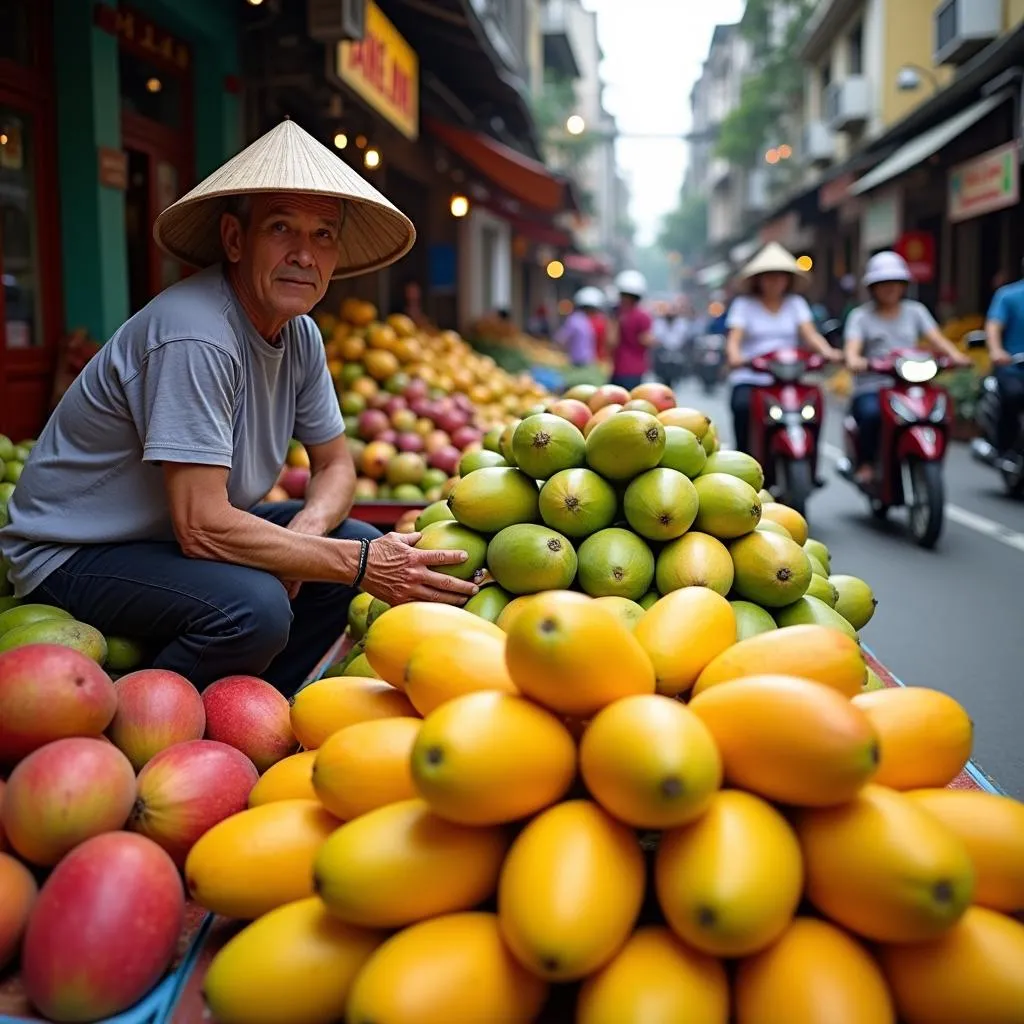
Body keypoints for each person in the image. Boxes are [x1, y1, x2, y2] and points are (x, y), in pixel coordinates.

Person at [0, 120, 478, 697]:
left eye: (324, 235)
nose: (304, 254)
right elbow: (200, 525)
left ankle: (259, 712)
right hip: (75, 554)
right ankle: (143, 721)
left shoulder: (299, 334)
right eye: (282, 228)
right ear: (234, 239)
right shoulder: (196, 334)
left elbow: (336, 467)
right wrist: (350, 562)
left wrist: (310, 536)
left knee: (342, 536)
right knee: (256, 608)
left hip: (165, 540)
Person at [845, 251, 970, 483]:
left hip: (910, 383)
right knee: (871, 414)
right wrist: (855, 360)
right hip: (874, 385)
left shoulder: (916, 311)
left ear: (904, 285)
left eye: (895, 283)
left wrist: (956, 356)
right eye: (883, 283)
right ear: (873, 287)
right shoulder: (860, 316)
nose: (889, 288)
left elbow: (937, 339)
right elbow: (852, 350)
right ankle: (866, 463)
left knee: (938, 409)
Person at [725, 243, 841, 453]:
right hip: (752, 376)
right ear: (758, 279)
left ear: (788, 279)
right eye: (769, 276)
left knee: (814, 403)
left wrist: (828, 352)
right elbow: (734, 339)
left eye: (780, 275)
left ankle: (811, 456)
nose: (775, 281)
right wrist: (735, 357)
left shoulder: (796, 303)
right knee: (742, 407)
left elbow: (811, 335)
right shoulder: (744, 305)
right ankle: (744, 460)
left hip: (789, 376)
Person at [985, 257, 1024, 453]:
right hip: (1013, 368)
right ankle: (1005, 448)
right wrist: (996, 350)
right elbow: (994, 326)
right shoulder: (1007, 295)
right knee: (1014, 396)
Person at [609, 270, 654, 391]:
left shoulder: (617, 314)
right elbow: (646, 339)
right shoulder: (643, 315)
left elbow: (611, 342)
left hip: (620, 369)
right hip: (632, 370)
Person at [555, 287, 603, 367]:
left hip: (582, 362)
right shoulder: (578, 320)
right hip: (580, 363)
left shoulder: (577, 319)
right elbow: (561, 340)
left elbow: (560, 339)